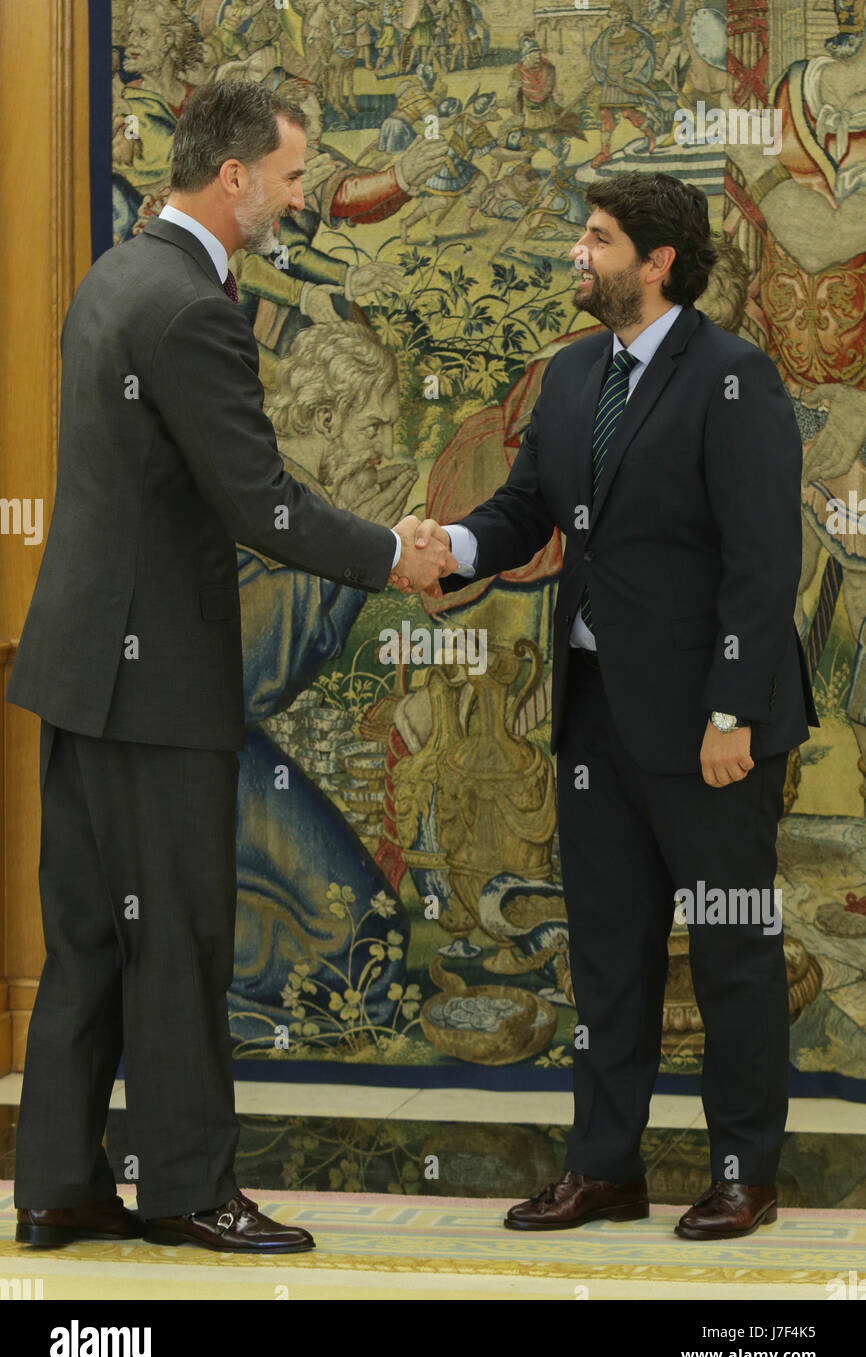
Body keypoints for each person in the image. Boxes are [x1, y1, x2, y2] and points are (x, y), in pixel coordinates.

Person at [7, 79, 454, 1255]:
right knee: (185, 937)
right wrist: (389, 555)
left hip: (80, 673)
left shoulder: (116, 273)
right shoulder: (193, 307)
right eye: (295, 177)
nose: (302, 198)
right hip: (153, 687)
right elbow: (257, 499)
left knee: (92, 941)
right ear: (235, 177)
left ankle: (57, 1187)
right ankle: (185, 1191)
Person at [413, 171, 818, 1240]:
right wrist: (451, 547)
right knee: (605, 951)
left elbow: (760, 560)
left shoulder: (734, 378)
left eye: (595, 239)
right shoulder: (570, 374)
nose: (576, 255)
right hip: (594, 714)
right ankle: (604, 1168)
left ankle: (742, 1171)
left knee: (730, 946)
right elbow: (525, 509)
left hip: (708, 724)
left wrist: (732, 712)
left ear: (657, 263)